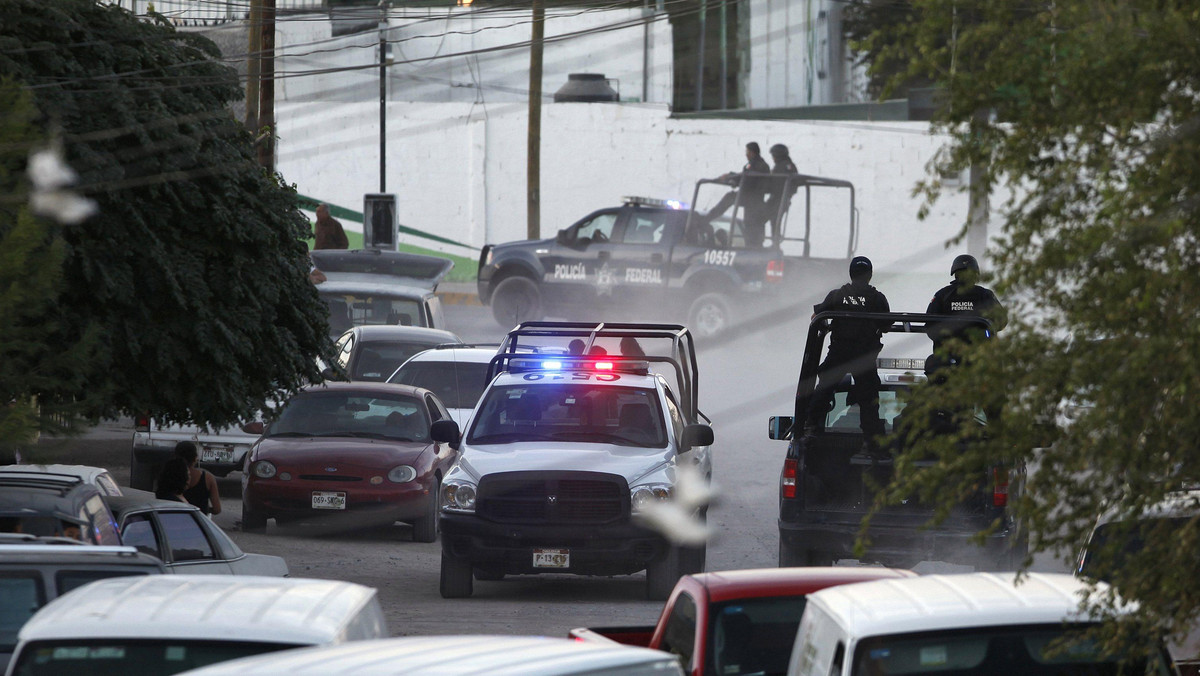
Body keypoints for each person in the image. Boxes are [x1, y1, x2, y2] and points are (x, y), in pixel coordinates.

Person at [800, 256, 891, 453]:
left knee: (823, 390)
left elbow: (816, 317)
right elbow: (886, 325)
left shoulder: (837, 295)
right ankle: (871, 442)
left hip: (839, 353)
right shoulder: (878, 299)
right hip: (864, 357)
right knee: (869, 399)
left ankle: (811, 429)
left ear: (851, 274)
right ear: (870, 275)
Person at [925, 254, 1008, 359]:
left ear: (955, 273)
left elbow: (930, 325)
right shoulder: (985, 294)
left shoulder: (942, 295)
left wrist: (947, 341)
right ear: (975, 274)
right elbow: (1002, 321)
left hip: (947, 357)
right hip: (980, 356)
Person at [702, 142, 772, 248]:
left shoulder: (754, 164)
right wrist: (733, 178)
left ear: (752, 152)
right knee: (752, 224)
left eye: (747, 152)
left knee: (730, 197)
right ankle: (755, 245)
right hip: (756, 200)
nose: (746, 154)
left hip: (750, 197)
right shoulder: (763, 165)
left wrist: (731, 177)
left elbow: (747, 178)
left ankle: (708, 218)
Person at [175, 441, 222, 515]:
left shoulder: (170, 476)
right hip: (198, 522)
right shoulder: (207, 478)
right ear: (195, 458)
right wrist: (205, 510)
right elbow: (217, 509)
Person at [765, 143, 799, 245]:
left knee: (768, 219)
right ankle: (774, 243)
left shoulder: (782, 166)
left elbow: (775, 183)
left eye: (774, 155)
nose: (773, 158)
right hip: (781, 199)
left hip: (778, 199)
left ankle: (767, 243)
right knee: (774, 221)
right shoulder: (789, 166)